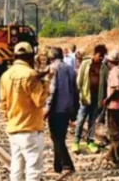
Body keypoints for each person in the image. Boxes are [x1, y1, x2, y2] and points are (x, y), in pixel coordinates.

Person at [0, 42, 48, 181]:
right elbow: (40, 101)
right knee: (34, 168)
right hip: (29, 128)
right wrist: (46, 84)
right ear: (30, 56)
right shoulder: (31, 74)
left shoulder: (5, 75)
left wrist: (9, 119)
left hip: (13, 128)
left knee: (16, 167)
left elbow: (2, 103)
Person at [45, 47, 78, 176]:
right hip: (67, 108)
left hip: (56, 108)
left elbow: (52, 91)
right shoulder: (70, 69)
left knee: (56, 137)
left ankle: (67, 164)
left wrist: (47, 108)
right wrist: (75, 109)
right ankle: (57, 165)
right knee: (60, 137)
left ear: (51, 57)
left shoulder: (52, 68)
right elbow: (75, 90)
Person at [74, 44, 108, 154]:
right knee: (80, 120)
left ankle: (90, 141)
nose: (101, 57)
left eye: (103, 56)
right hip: (85, 97)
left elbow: (105, 84)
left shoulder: (104, 68)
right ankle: (76, 141)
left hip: (97, 98)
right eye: (100, 55)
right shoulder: (85, 64)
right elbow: (79, 80)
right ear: (95, 54)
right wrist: (78, 94)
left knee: (92, 122)